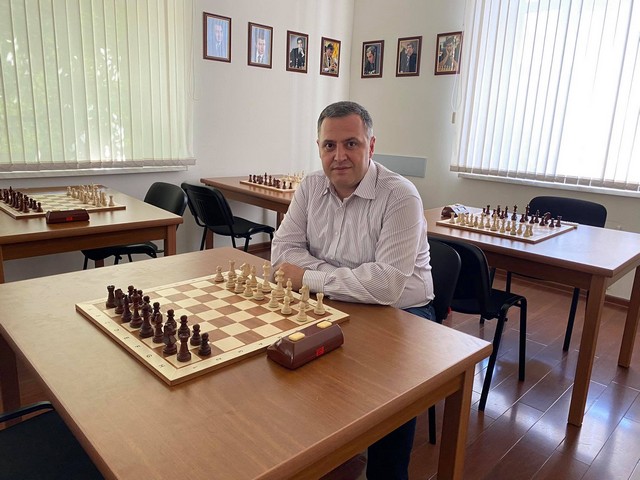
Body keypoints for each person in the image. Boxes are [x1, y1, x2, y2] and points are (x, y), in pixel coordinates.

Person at [271, 101, 434, 480]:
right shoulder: (311, 186)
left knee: (389, 391)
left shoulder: (401, 196)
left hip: (403, 312)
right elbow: (282, 253)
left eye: (351, 144)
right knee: (281, 366)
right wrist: (347, 280)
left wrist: (308, 276)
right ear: (318, 147)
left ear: (371, 146)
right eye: (330, 145)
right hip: (332, 300)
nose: (339, 156)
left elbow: (386, 286)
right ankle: (318, 456)